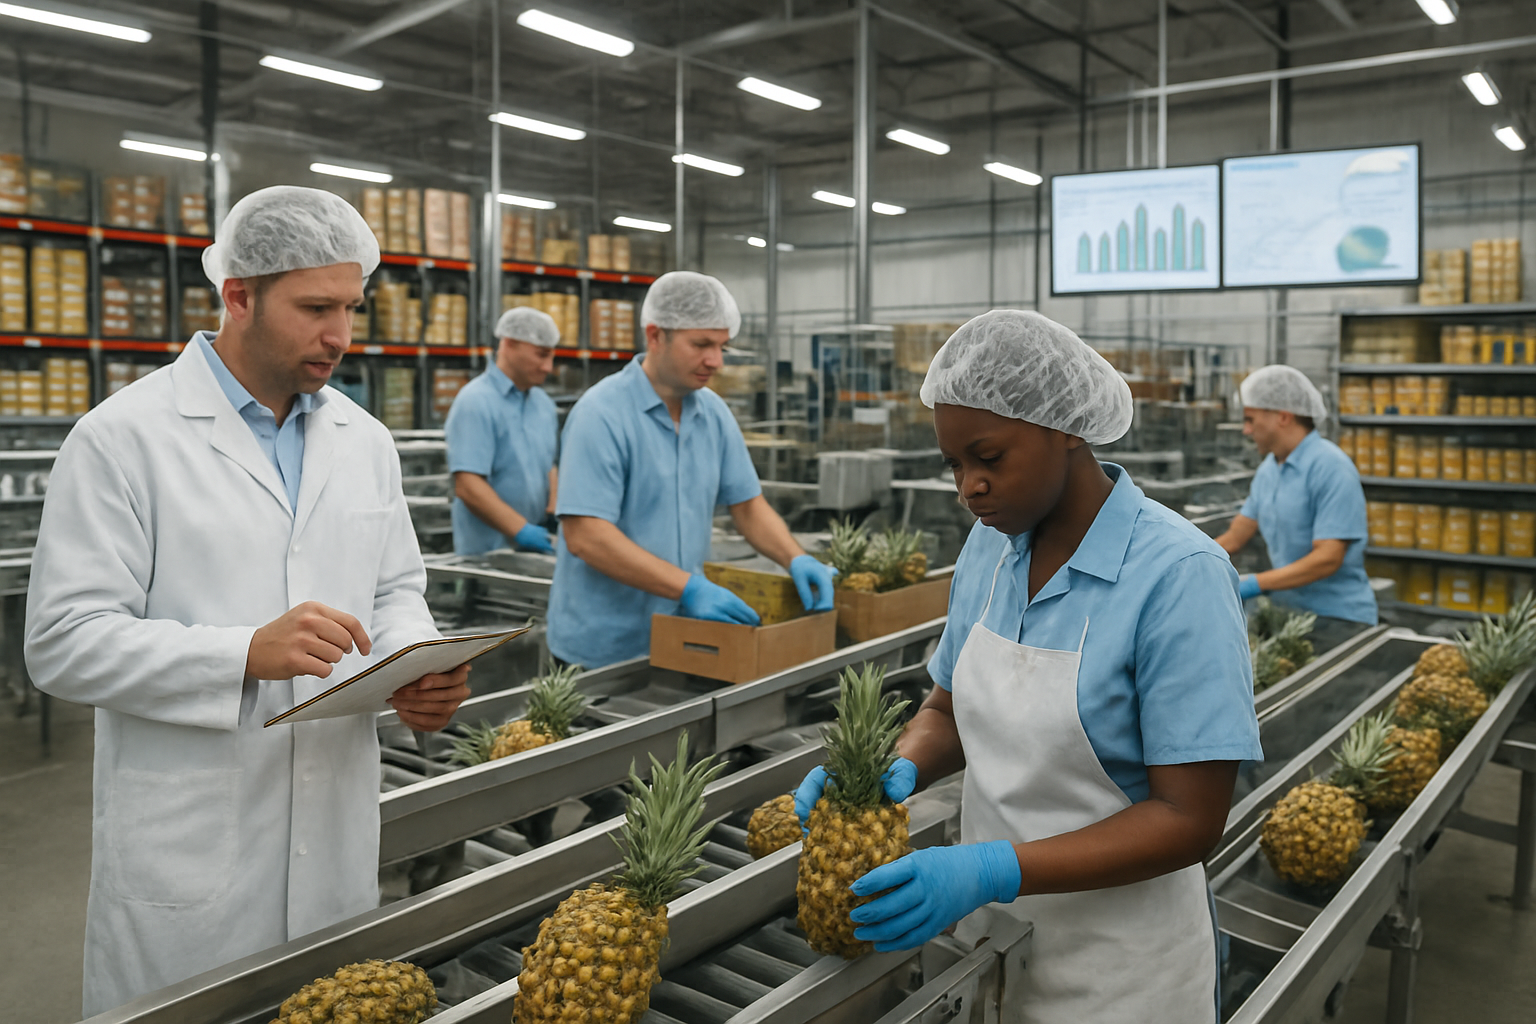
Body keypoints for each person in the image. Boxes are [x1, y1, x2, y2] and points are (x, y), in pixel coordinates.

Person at [24, 186, 472, 1017]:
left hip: (332, 840)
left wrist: (413, 664)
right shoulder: (124, 438)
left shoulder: (365, 442)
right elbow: (62, 640)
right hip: (192, 850)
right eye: (315, 309)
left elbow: (394, 589)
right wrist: (239, 654)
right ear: (238, 296)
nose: (340, 335)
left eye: (351, 308)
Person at [793, 310, 1262, 1023]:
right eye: (955, 466)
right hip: (989, 944)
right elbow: (948, 707)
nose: (969, 489)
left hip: (1120, 975)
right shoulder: (990, 544)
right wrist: (896, 768)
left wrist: (993, 867)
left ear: (1066, 427)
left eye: (988, 457)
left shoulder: (1179, 574)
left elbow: (1189, 818)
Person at [547, 271, 838, 668]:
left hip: (684, 637)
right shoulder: (601, 414)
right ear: (655, 336)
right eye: (701, 345)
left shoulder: (713, 413)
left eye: (721, 346)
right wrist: (689, 588)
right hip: (603, 650)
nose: (716, 361)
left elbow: (747, 506)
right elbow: (586, 536)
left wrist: (796, 558)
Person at [1214, 364, 1377, 625]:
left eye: (1250, 419)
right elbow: (1236, 535)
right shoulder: (1269, 470)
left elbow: (1328, 558)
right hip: (1289, 616)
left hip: (1337, 618)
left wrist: (1256, 583)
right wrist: (1191, 559)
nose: (1246, 430)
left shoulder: (1331, 467)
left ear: (1283, 417)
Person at [446, 306, 561, 555]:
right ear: (509, 344)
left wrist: (553, 509)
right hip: (488, 556)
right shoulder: (476, 402)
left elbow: (548, 463)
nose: (548, 367)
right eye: (541, 355)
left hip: (533, 549)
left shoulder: (544, 405)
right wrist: (521, 530)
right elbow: (468, 485)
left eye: (551, 357)